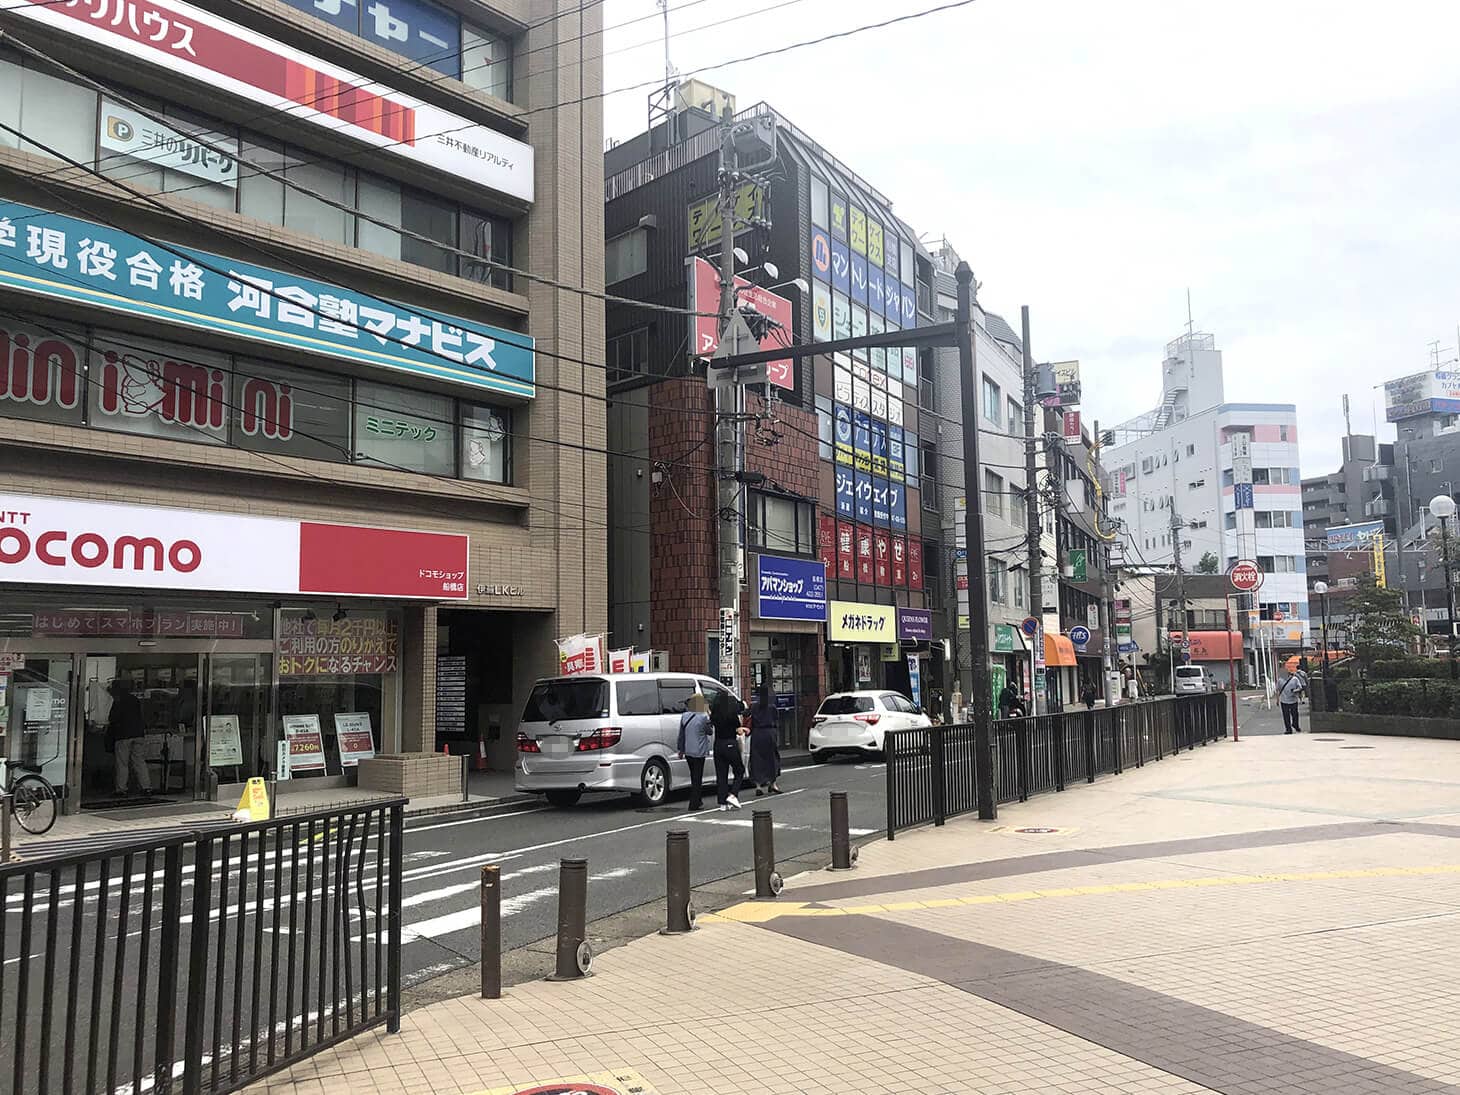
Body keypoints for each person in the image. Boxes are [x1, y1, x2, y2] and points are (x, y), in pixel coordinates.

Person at [107, 678, 150, 796]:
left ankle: (121, 789)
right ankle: (146, 787)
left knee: (122, 763)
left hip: (123, 735)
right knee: (139, 761)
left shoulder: (118, 700)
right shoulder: (135, 699)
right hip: (139, 734)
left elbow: (112, 718)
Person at [708, 688, 747, 810]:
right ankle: (733, 794)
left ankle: (722, 803)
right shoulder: (731, 714)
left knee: (721, 774)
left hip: (718, 745)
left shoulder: (714, 715)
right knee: (739, 770)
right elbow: (738, 729)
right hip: (730, 743)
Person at [675, 692, 713, 811]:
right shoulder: (703, 717)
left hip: (688, 751)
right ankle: (694, 802)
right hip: (699, 751)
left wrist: (681, 749)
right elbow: (709, 731)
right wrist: (709, 715)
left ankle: (698, 799)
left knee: (693, 776)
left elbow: (681, 734)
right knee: (698, 777)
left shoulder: (685, 716)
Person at [747, 689, 782, 797]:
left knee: (757, 759)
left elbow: (746, 714)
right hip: (769, 733)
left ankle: (758, 786)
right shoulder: (772, 707)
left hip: (757, 733)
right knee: (772, 758)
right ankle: (773, 783)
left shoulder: (754, 706)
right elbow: (776, 719)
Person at [1278, 667, 1307, 733]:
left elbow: (1300, 687)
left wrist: (1295, 690)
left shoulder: (1295, 679)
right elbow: (1278, 690)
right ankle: (1288, 729)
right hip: (1284, 700)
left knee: (1295, 714)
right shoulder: (1280, 680)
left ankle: (1295, 725)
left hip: (1293, 699)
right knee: (1286, 715)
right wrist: (1277, 699)